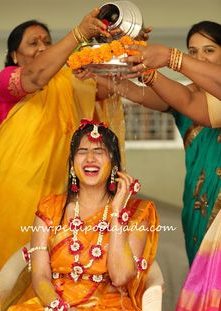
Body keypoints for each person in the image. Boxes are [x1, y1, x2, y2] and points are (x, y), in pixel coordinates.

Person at [0, 120, 166, 311]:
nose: (90, 159)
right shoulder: (50, 208)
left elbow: (121, 275)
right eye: (82, 152)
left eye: (99, 152)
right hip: (54, 309)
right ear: (73, 163)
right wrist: (57, 307)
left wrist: (116, 214)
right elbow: (41, 275)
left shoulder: (136, 213)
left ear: (114, 163)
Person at [0, 9, 125, 283]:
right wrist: (78, 34)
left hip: (61, 190)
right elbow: (36, 77)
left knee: (55, 267)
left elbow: (111, 87)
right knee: (10, 273)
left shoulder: (71, 82)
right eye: (32, 42)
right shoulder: (8, 79)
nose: (42, 47)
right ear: (15, 55)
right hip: (15, 189)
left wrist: (121, 45)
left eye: (47, 42)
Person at [93, 20, 221, 266]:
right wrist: (105, 72)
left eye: (209, 50)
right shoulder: (184, 94)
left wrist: (169, 57)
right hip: (197, 204)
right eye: (193, 51)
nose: (200, 58)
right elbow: (138, 91)